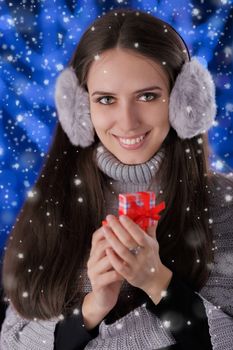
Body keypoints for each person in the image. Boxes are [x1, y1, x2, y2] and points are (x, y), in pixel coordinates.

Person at [0, 7, 233, 350]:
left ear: (187, 101)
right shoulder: (53, 204)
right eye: (106, 99)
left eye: (148, 96)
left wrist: (158, 283)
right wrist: (92, 309)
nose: (127, 121)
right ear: (80, 108)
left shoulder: (224, 204)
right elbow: (12, 342)